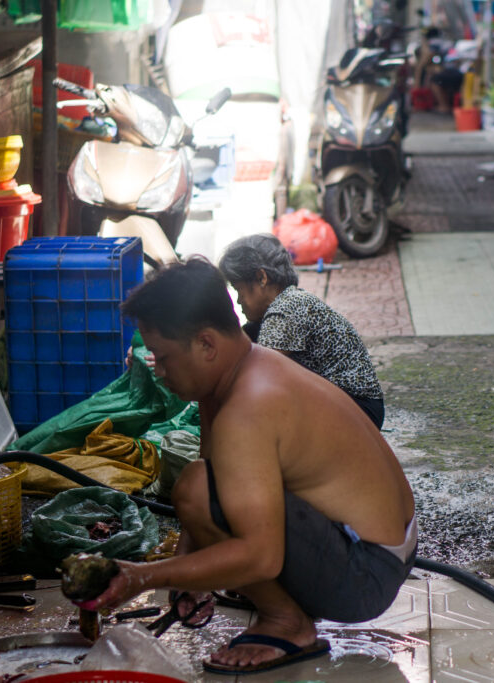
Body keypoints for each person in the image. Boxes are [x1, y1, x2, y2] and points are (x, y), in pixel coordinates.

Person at [76, 258, 417, 676]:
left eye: (163, 358)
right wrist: (189, 568)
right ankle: (283, 610)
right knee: (201, 484)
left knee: (194, 489)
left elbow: (261, 556)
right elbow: (213, 482)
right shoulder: (235, 372)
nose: (159, 372)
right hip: (382, 548)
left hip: (367, 574)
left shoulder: (249, 407)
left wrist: (140, 577)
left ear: (206, 344)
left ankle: (287, 624)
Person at [218, 234, 386, 429]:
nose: (238, 301)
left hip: (359, 409)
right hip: (351, 405)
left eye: (239, 290)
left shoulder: (286, 309)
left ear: (261, 278)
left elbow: (260, 376)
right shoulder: (287, 304)